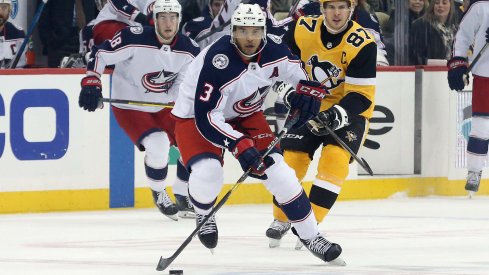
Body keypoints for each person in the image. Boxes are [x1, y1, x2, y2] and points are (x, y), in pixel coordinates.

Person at [171, 3, 344, 264]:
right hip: (196, 117)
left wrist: (310, 92)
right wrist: (238, 144)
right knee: (208, 173)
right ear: (232, 32)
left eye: (255, 32)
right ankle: (204, 213)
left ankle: (312, 236)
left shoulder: (274, 50)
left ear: (263, 32)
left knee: (281, 174)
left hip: (246, 114)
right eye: (242, 32)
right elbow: (208, 117)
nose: (249, 39)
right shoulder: (218, 61)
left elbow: (299, 73)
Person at [265, 0, 376, 249]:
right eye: (331, 7)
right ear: (322, 8)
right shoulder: (301, 28)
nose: (337, 13)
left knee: (335, 160)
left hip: (350, 111)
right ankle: (283, 217)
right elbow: (275, 68)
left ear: (351, 9)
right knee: (292, 159)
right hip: (308, 104)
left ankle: (310, 227)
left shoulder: (363, 42)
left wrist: (334, 115)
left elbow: (360, 95)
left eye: (342, 7)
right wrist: (288, 92)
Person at [78, 0, 200, 220]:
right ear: (154, 19)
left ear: (179, 20)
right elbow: (100, 54)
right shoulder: (132, 37)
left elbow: (182, 87)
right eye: (162, 17)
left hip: (162, 105)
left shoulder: (189, 49)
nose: (168, 22)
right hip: (130, 106)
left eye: (173, 17)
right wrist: (91, 81)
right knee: (158, 144)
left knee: (190, 141)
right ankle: (159, 191)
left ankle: (183, 195)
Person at [447, 0, 489, 198]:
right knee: (481, 127)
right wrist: (458, 64)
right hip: (485, 75)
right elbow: (462, 36)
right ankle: (474, 173)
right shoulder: (481, 7)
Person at [409, 0, 459, 65]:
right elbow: (416, 56)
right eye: (437, 3)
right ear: (432, 6)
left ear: (451, 6)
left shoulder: (456, 28)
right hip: (429, 72)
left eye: (444, 3)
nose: (440, 5)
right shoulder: (420, 25)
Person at [0, 0, 25, 69]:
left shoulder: (18, 32)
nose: (0, 12)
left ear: (10, 10)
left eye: (4, 7)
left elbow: (20, 68)